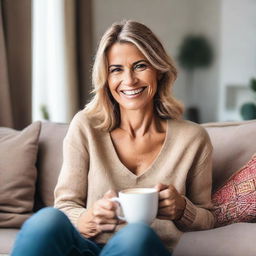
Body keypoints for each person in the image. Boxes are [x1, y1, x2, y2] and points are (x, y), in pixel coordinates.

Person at [11, 20, 215, 256]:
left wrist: (182, 209)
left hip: (143, 248)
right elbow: (65, 206)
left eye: (140, 66)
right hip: (86, 248)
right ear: (105, 79)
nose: (129, 81)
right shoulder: (86, 126)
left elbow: (208, 218)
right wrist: (89, 219)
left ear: (159, 71)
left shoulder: (192, 139)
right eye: (116, 69)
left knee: (136, 235)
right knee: (46, 220)